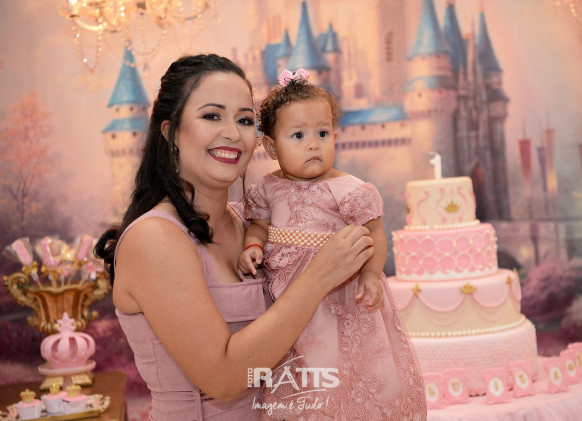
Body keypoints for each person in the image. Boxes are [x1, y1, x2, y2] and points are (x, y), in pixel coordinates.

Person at [94, 55, 376, 421]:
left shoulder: (249, 223)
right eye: (212, 116)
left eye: (244, 120)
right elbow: (224, 379)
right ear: (171, 132)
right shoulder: (155, 237)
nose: (232, 133)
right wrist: (320, 276)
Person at [237, 69, 427, 420]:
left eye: (322, 133)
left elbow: (374, 233)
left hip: (342, 299)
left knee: (349, 364)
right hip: (289, 301)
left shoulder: (348, 189)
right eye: (298, 135)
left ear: (335, 136)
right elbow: (259, 226)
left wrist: (370, 276)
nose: (313, 144)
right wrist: (253, 247)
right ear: (271, 146)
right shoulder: (266, 189)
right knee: (301, 369)